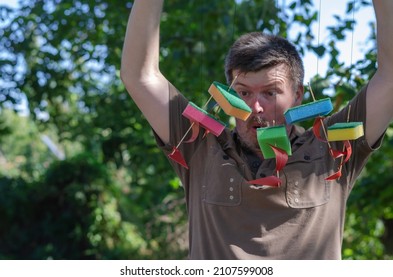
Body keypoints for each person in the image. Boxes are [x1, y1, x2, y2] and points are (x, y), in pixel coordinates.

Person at [120, 0, 393, 259]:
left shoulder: (332, 147)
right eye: (244, 93)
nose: (256, 108)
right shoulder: (199, 144)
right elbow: (139, 76)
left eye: (270, 93)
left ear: (298, 95)